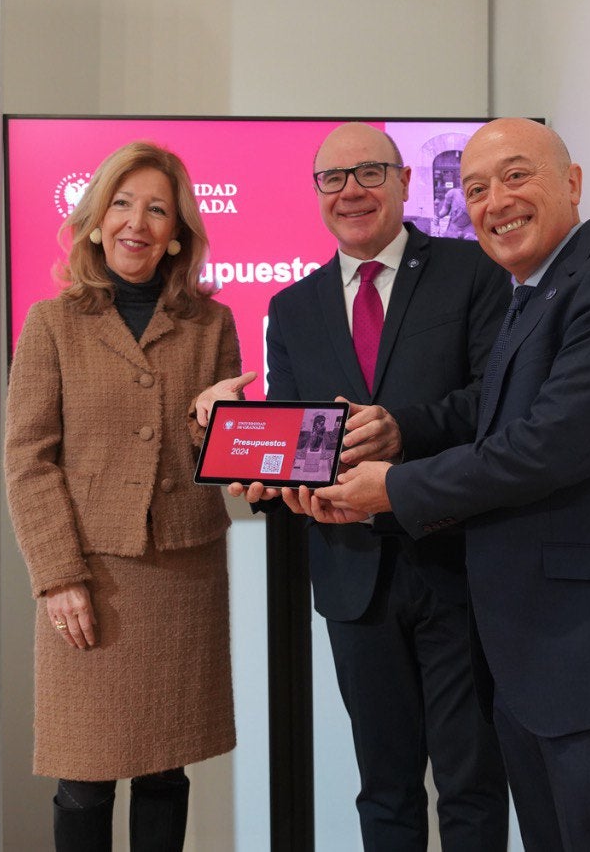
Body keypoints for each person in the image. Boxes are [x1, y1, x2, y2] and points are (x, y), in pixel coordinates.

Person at [311, 118, 590, 851]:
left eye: (515, 175)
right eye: (474, 188)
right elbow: (495, 425)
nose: (494, 200)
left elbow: (543, 448)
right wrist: (384, 445)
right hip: (541, 669)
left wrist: (395, 489)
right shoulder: (529, 295)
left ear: (571, 183)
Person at [232, 122, 511, 850]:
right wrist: (280, 480)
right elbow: (295, 432)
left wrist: (404, 428)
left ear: (403, 182)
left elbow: (498, 399)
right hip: (353, 574)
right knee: (384, 788)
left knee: (472, 782)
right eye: (333, 177)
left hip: (457, 562)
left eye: (369, 171)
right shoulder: (291, 308)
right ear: (317, 194)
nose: (351, 190)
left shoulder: (471, 271)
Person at [4, 140, 255, 852]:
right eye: (121, 203)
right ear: (94, 220)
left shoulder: (214, 325)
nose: (136, 222)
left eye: (156, 208)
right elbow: (28, 457)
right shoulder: (51, 324)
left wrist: (215, 422)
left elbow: (219, 462)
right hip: (92, 574)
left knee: (164, 771)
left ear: (177, 232)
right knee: (83, 777)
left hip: (181, 569)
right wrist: (58, 577)